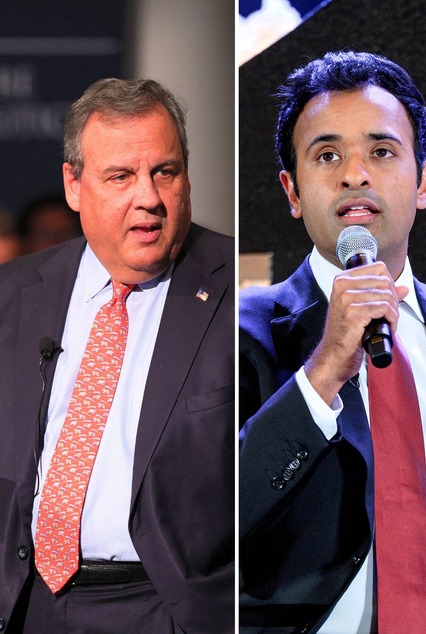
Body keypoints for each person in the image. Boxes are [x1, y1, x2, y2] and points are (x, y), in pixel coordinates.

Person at [239, 51, 426, 633]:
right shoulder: (238, 331)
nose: (354, 174)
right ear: (292, 193)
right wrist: (322, 374)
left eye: (381, 152)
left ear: (423, 182)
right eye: (327, 156)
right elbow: (205, 518)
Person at [0, 79, 234, 632]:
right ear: (74, 185)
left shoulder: (233, 298)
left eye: (166, 172)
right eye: (121, 176)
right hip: (26, 602)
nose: (149, 197)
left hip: (163, 609)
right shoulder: (14, 292)